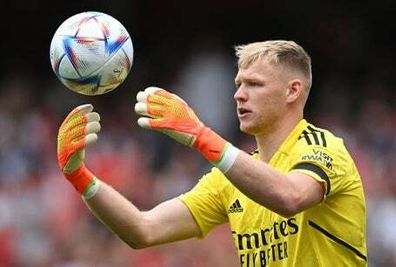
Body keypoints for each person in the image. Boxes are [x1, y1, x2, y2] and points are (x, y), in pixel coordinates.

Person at [57, 40, 367, 266]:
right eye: (238, 84)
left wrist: (201, 136)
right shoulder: (229, 180)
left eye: (254, 84)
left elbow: (290, 197)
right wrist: (79, 177)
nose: (238, 94)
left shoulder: (324, 147)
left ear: (292, 91)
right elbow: (143, 229)